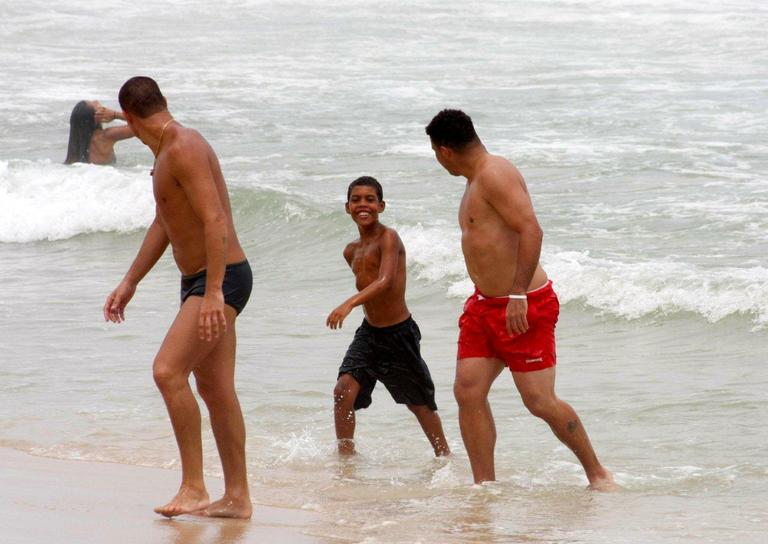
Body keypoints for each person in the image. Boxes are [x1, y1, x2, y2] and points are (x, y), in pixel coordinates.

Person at [425, 109, 614, 490]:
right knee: (468, 391)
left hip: (523, 304)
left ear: (443, 150)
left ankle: (598, 474)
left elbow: (531, 229)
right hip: (484, 307)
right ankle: (485, 486)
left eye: (434, 152)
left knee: (539, 401)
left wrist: (516, 294)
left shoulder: (494, 173)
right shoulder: (474, 179)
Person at [103, 76, 253, 518]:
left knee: (168, 372)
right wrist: (131, 280)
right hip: (204, 279)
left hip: (219, 278)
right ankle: (238, 498)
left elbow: (214, 220)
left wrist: (211, 293)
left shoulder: (183, 147)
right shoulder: (167, 151)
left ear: (128, 118)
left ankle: (193, 487)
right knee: (216, 388)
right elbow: (164, 222)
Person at [326, 176, 450, 457]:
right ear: (347, 207)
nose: (363, 204)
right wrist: (357, 306)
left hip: (398, 334)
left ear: (381, 205)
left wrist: (349, 304)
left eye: (370, 199)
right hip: (369, 334)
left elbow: (386, 281)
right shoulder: (351, 251)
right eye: (356, 200)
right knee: (343, 391)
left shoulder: (389, 237)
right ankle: (346, 458)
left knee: (418, 402)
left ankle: (444, 457)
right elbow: (370, 285)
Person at [64, 100, 133, 164]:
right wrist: (115, 115)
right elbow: (140, 125)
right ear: (96, 117)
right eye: (98, 107)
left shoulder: (75, 143)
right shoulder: (106, 136)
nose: (96, 101)